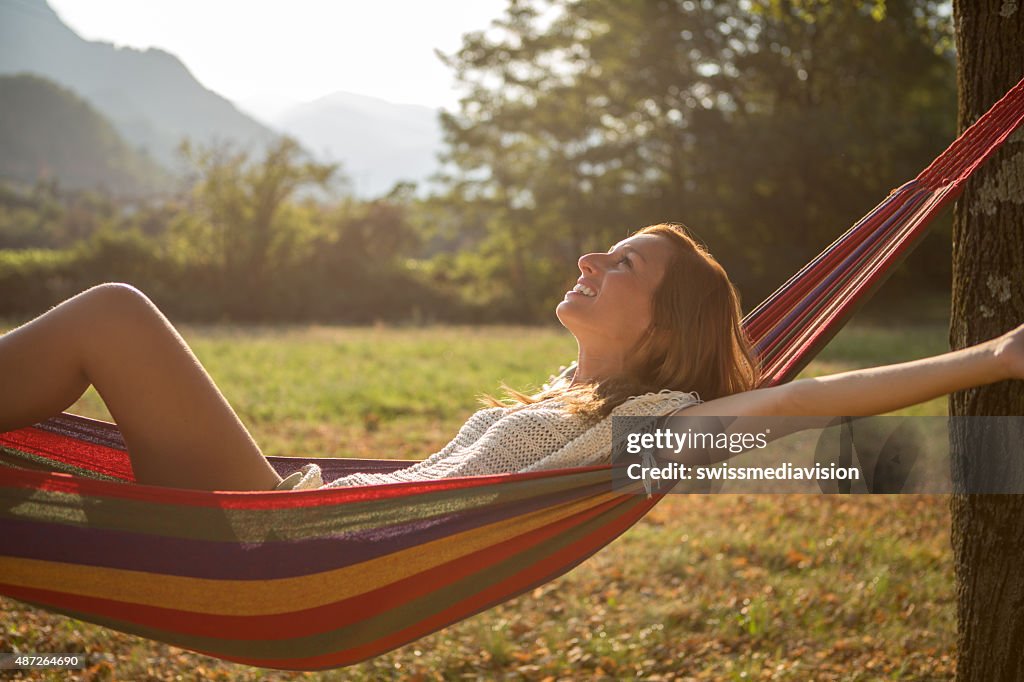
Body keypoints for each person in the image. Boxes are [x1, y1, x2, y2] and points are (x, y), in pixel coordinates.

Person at [0, 223, 1021, 491]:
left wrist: (994, 355)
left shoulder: (647, 427)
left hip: (279, 547)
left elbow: (787, 407)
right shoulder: (575, 399)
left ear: (663, 334)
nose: (589, 257)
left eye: (621, 262)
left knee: (116, 314)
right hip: (293, 509)